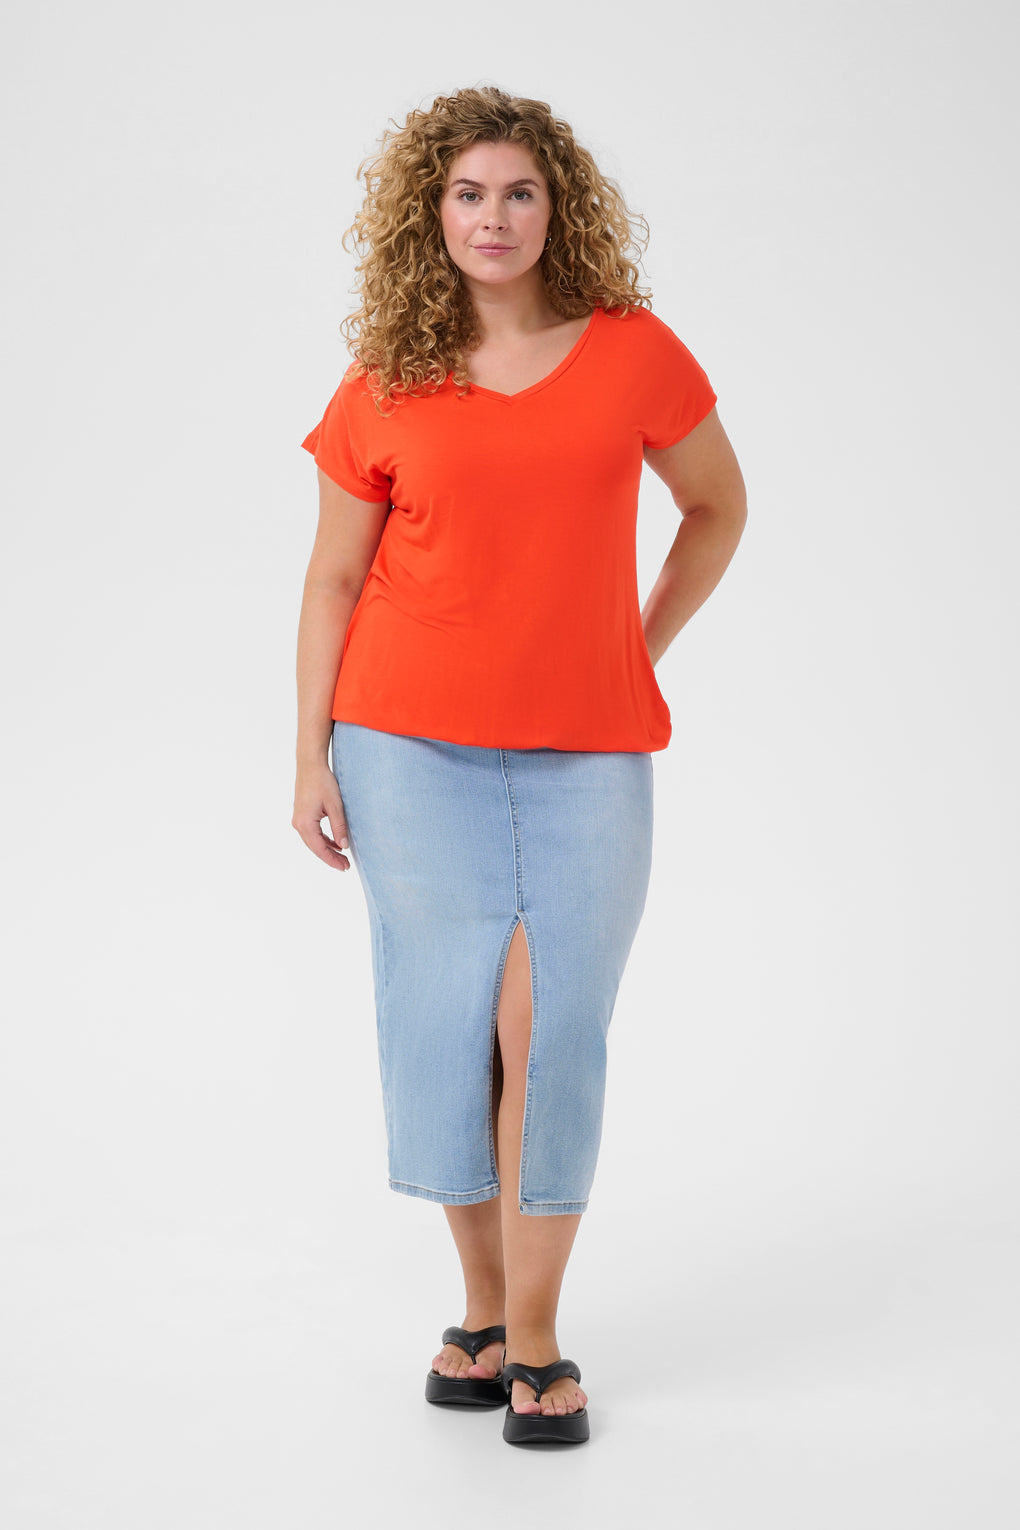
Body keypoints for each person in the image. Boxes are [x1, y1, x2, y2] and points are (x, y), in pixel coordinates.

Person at [292, 85, 747, 1446]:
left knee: (548, 1027)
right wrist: (310, 753)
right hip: (402, 744)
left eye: (520, 191)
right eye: (469, 193)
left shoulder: (634, 351)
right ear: (431, 213)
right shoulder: (386, 377)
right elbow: (332, 579)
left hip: (587, 754)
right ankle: (486, 1314)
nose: (494, 216)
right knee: (447, 1020)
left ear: (560, 208)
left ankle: (540, 1330)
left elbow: (717, 507)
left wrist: (631, 644)